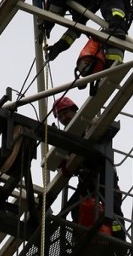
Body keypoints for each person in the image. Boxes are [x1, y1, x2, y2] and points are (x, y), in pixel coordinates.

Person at [51, 97, 127, 243]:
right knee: (75, 208)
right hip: (86, 181)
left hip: (104, 175)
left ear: (75, 111)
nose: (63, 118)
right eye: (60, 116)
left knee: (113, 210)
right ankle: (77, 239)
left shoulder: (90, 124)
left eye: (65, 113)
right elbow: (69, 165)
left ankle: (120, 240)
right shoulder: (69, 138)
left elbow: (101, 134)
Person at [40, 0, 133, 67]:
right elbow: (76, 28)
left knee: (115, 22)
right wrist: (59, 46)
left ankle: (114, 52)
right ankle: (112, 62)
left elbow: (56, 4)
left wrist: (47, 24)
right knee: (117, 31)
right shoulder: (77, 5)